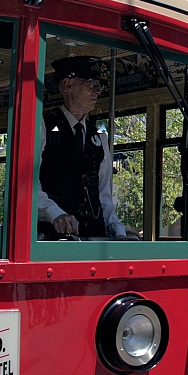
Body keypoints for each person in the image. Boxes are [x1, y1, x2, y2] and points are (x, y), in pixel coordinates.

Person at [37, 56, 126, 240]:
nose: (97, 91)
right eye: (91, 84)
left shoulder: (98, 138)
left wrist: (116, 229)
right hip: (51, 237)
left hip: (92, 237)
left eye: (99, 86)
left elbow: (103, 196)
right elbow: (26, 183)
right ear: (68, 85)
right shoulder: (43, 126)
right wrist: (54, 213)